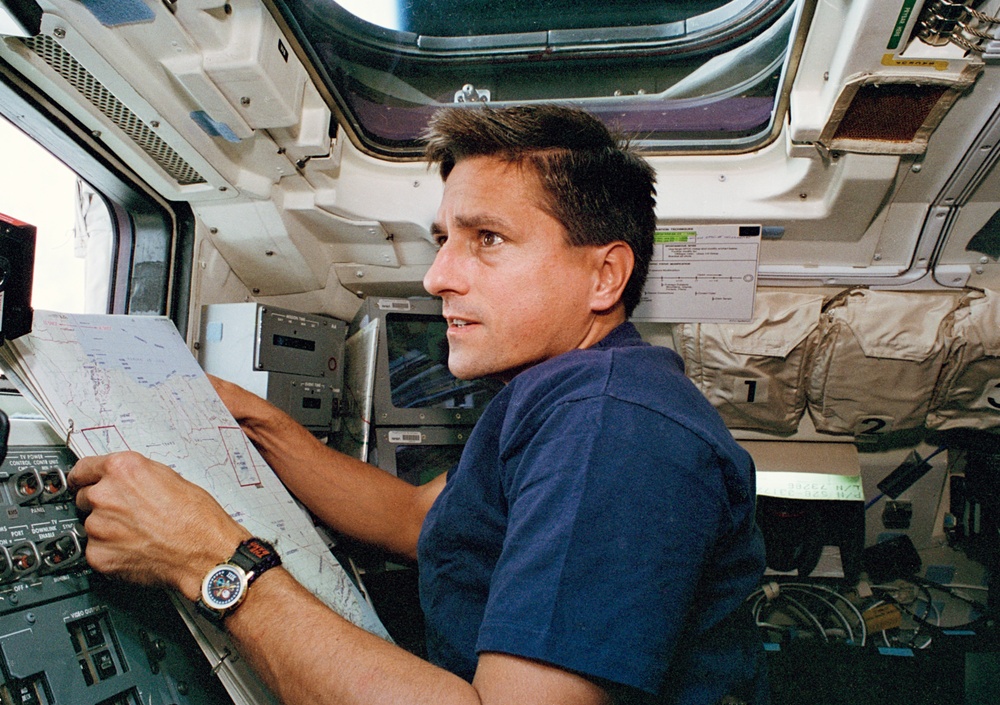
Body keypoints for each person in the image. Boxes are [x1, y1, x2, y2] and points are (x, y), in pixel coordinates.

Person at [68, 104, 767, 705]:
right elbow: (416, 518)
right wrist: (262, 425)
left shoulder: (611, 423)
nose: (437, 277)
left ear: (604, 274)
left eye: (487, 239)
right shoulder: (564, 394)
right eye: (443, 241)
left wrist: (211, 561)